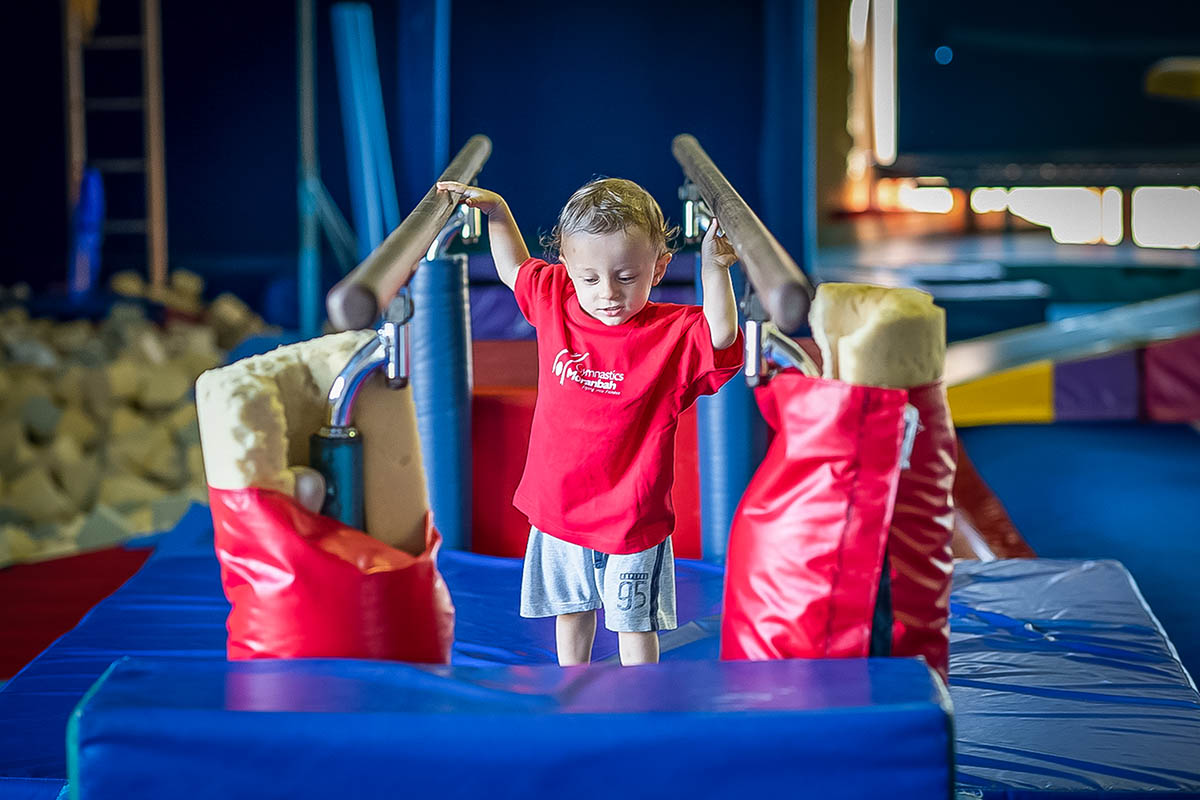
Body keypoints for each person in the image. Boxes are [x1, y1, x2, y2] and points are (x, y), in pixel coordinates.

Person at [436, 176, 743, 666]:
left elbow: (723, 333)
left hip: (632, 513)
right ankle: (571, 689)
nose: (607, 295)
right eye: (591, 279)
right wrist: (496, 211)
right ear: (568, 270)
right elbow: (514, 268)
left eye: (626, 277)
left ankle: (637, 704)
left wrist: (713, 265)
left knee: (633, 623)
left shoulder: (671, 333)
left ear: (659, 268)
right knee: (572, 611)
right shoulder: (556, 297)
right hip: (560, 505)